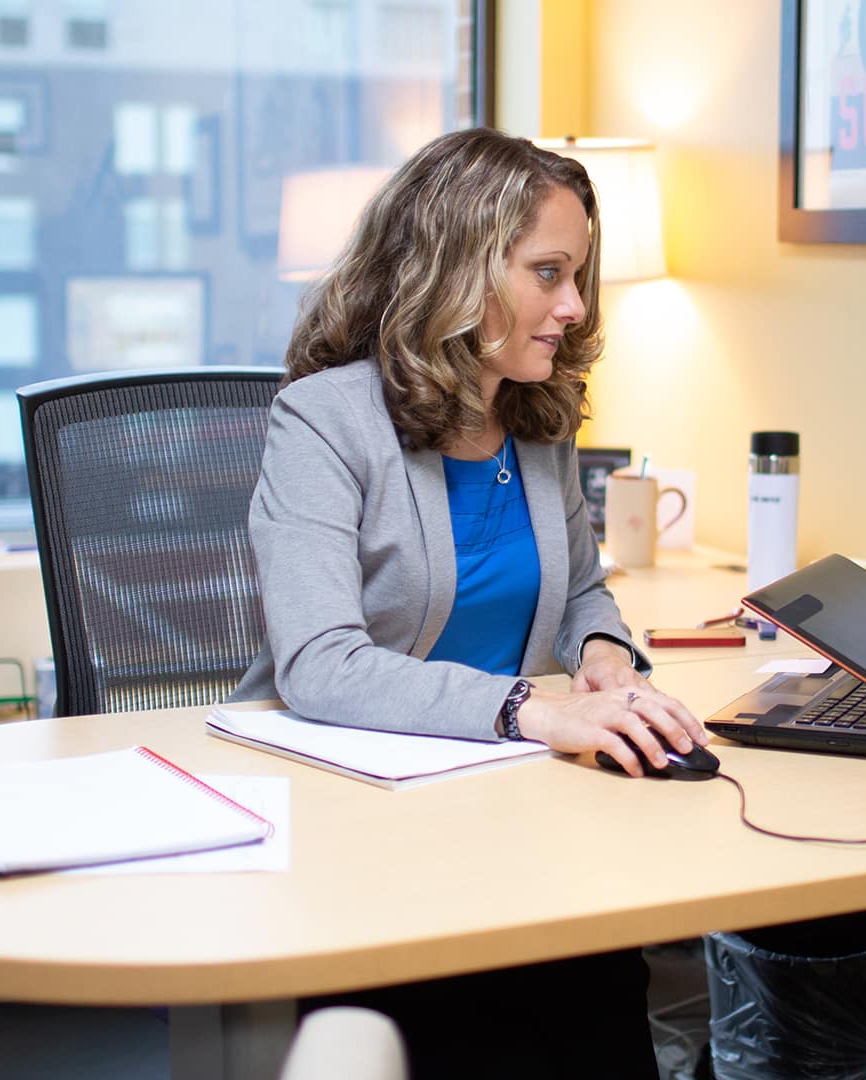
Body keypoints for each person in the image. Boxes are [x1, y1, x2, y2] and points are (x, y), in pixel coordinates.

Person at [230, 127, 706, 1077]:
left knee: (601, 989)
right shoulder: (325, 421)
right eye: (548, 273)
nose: (572, 305)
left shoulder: (536, 414)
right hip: (364, 821)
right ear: (457, 270)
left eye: (579, 275)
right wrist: (536, 707)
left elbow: (579, 587)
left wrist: (606, 659)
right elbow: (322, 665)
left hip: (510, 802)